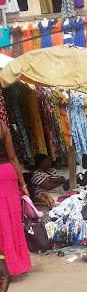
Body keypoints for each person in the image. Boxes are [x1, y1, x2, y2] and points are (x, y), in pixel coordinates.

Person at [0, 120, 32, 281]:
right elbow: (12, 156)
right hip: (7, 174)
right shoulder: (2, 126)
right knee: (11, 222)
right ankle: (15, 265)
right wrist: (23, 184)